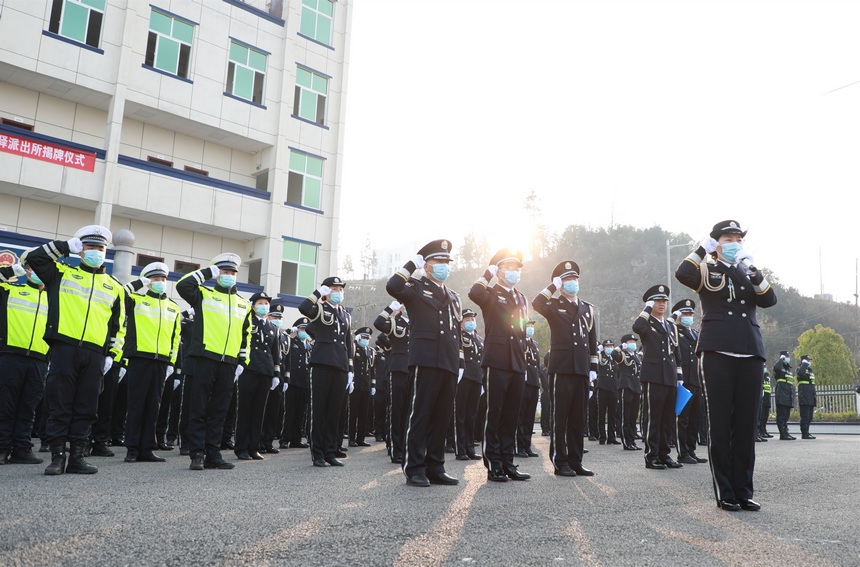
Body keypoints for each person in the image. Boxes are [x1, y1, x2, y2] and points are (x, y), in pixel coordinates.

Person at [676, 219, 777, 512]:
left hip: (750, 351)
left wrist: (754, 271)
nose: (735, 242)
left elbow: (770, 299)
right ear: (717, 243)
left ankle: (744, 490)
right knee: (720, 423)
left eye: (738, 238)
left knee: (746, 425)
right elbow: (683, 273)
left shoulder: (748, 271)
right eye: (728, 238)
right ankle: (726, 491)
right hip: (717, 350)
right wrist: (702, 248)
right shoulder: (707, 269)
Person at [26, 225, 125, 476]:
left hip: (95, 354)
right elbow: (34, 258)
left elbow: (119, 328)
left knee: (87, 406)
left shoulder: (114, 287)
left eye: (100, 248)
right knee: (60, 402)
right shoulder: (60, 273)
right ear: (80, 250)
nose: (96, 252)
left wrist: (112, 356)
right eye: (90, 247)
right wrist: (64, 247)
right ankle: (57, 457)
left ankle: (78, 456)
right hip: (65, 348)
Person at [386, 239, 462, 487]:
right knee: (420, 414)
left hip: (448, 361)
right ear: (427, 265)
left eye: (446, 262)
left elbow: (456, 332)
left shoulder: (453, 296)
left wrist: (459, 362)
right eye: (438, 262)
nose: (443, 266)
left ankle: (435, 466)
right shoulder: (416, 287)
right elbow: (393, 286)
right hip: (425, 358)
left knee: (442, 417)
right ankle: (414, 466)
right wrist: (412, 264)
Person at [176, 253, 252, 471]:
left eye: (232, 273)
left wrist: (242, 361)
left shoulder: (243, 304)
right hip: (205, 358)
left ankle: (213, 454)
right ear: (217, 274)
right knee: (199, 408)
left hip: (228, 363)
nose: (228, 276)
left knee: (219, 411)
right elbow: (183, 285)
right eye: (224, 272)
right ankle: (196, 454)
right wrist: (209, 271)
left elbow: (246, 335)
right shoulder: (203, 294)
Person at [469, 248, 531, 483]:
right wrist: (488, 273)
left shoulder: (521, 297)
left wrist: (523, 362)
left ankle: (507, 461)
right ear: (499, 271)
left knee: (511, 415)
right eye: (508, 269)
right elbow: (474, 293)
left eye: (517, 269)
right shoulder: (491, 293)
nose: (514, 273)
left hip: (517, 362)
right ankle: (493, 464)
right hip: (496, 359)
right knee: (494, 413)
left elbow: (522, 331)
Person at [531, 260, 597, 478]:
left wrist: (593, 370)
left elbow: (593, 342)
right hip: (561, 368)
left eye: (574, 279)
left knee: (579, 417)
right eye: (567, 279)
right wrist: (553, 286)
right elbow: (537, 302)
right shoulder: (554, 304)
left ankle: (576, 461)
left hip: (581, 369)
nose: (572, 283)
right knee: (561, 417)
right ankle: (560, 462)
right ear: (560, 283)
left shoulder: (588, 308)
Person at [120, 262, 181, 463]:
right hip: (140, 357)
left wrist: (171, 361)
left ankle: (147, 448)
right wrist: (138, 283)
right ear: (148, 282)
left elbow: (175, 336)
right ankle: (132, 448)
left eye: (163, 279)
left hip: (161, 361)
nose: (160, 283)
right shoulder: (136, 300)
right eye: (155, 279)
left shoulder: (173, 307)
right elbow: (118, 295)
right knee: (136, 404)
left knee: (154, 405)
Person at [299, 276, 354, 468]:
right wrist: (317, 294)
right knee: (319, 410)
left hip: (340, 365)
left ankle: (331, 451)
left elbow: (348, 342)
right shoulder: (320, 309)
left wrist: (350, 368)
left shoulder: (346, 314)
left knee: (334, 412)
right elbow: (304, 309)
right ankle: (318, 453)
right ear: (326, 290)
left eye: (340, 289)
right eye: (333, 289)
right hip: (322, 363)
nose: (337, 292)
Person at [0, 260, 49, 465]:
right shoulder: (10, 289)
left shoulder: (55, 298)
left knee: (29, 406)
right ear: (26, 271)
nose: (37, 272)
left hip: (40, 359)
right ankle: (2, 448)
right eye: (32, 268)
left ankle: (22, 448)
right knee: (5, 405)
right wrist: (16, 269)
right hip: (11, 355)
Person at [632, 284, 683, 471]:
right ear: (651, 303)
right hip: (653, 375)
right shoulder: (646, 322)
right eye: (657, 301)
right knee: (653, 417)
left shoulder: (670, 326)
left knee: (667, 418)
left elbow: (676, 353)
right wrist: (646, 308)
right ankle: (651, 455)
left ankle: (664, 454)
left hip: (669, 375)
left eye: (664, 301)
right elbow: (637, 327)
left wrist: (679, 377)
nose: (662, 304)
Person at [234, 292, 281, 461]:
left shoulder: (273, 328)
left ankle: (254, 447)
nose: (264, 306)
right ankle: (241, 448)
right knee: (245, 410)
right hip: (249, 369)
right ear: (253, 306)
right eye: (260, 303)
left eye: (266, 303)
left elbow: (275, 353)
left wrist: (276, 373)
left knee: (259, 411)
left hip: (266, 371)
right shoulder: (246, 322)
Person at [373, 300, 410, 464]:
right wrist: (389, 309)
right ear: (401, 308)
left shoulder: (418, 323)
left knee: (410, 411)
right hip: (398, 369)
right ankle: (396, 449)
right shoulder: (396, 322)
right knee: (396, 409)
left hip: (413, 368)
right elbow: (379, 323)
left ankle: (408, 447)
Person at [672, 299, 707, 464]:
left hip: (697, 380)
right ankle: (682, 452)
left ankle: (691, 450)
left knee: (696, 417)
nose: (688, 317)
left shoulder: (695, 333)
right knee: (683, 418)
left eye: (690, 314)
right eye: (685, 314)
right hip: (683, 381)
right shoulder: (674, 332)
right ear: (679, 316)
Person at [454, 309, 483, 461]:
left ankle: (470, 447)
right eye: (467, 319)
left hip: (477, 378)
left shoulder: (479, 339)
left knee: (472, 414)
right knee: (460, 414)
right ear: (461, 324)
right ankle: (461, 449)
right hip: (463, 377)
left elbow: (482, 360)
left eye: (472, 319)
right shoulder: (459, 337)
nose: (471, 322)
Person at [281, 317, 312, 449]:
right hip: (293, 381)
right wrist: (289, 331)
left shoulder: (311, 346)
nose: (303, 331)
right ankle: (285, 439)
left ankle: (296, 439)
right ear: (297, 330)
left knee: (301, 412)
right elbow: (280, 337)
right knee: (290, 411)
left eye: (306, 329)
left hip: (305, 382)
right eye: (301, 329)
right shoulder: (291, 341)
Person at [611, 334, 642, 450]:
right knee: (626, 415)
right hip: (626, 386)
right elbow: (613, 354)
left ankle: (632, 440)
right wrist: (620, 347)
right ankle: (626, 441)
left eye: (634, 341)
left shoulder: (637, 356)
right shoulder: (622, 355)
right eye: (630, 341)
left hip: (636, 386)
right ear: (625, 343)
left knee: (633, 416)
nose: (633, 343)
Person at [517, 320, 541, 458]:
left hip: (533, 382)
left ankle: (527, 446)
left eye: (532, 326)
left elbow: (537, 365)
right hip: (523, 382)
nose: (530, 328)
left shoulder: (535, 344)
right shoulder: (519, 341)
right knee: (520, 415)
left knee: (529, 417)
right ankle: (519, 446)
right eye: (528, 326)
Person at [348, 327, 374, 448]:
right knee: (353, 413)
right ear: (358, 338)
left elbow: (372, 369)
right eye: (364, 337)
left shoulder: (369, 351)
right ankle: (351, 438)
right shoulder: (354, 349)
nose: (366, 340)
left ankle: (361, 438)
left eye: (368, 338)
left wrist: (373, 384)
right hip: (356, 385)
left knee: (364, 413)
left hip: (365, 385)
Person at [596, 339, 620, 446]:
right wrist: (599, 350)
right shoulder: (601, 357)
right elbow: (592, 356)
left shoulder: (614, 358)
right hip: (603, 387)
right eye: (607, 346)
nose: (609, 348)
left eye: (611, 346)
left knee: (612, 414)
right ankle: (602, 436)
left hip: (613, 387)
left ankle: (611, 437)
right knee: (601, 413)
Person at [773, 351, 796, 440]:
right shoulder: (779, 367)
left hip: (788, 395)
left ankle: (786, 432)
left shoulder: (788, 369)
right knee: (781, 416)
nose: (788, 357)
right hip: (781, 394)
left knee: (786, 416)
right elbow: (776, 368)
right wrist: (781, 359)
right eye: (786, 356)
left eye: (788, 356)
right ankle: (782, 434)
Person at [796, 355, 817, 440]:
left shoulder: (810, 370)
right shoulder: (800, 369)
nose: (809, 362)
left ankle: (807, 431)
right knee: (805, 416)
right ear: (804, 361)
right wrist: (803, 364)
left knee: (810, 416)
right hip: (804, 395)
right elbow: (801, 373)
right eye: (808, 361)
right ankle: (804, 433)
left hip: (811, 396)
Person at [757, 364, 773, 441]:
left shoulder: (766, 375)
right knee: (759, 416)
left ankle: (763, 430)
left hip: (766, 397)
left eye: (765, 366)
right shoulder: (759, 374)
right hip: (761, 397)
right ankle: (758, 432)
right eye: (763, 366)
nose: (764, 368)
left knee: (764, 416)